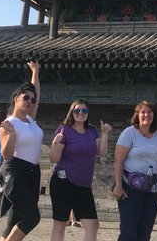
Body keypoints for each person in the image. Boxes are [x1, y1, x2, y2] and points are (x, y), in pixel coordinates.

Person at [49, 99, 112, 241]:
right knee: (60, 224)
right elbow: (53, 159)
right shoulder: (64, 130)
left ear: (88, 113)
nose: (80, 113)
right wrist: (55, 143)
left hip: (83, 185)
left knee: (93, 225)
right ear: (72, 112)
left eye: (84, 111)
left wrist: (105, 134)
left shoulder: (92, 131)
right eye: (77, 110)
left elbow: (101, 152)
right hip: (63, 182)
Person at [0, 60, 43, 241]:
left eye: (32, 99)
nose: (30, 101)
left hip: (32, 173)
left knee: (14, 220)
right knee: (32, 217)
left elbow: (36, 92)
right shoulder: (9, 123)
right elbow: (6, 155)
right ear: (16, 99)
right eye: (26, 98)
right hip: (15, 172)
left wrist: (35, 72)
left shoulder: (30, 120)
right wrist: (12, 134)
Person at [113, 101, 157, 241]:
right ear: (137, 115)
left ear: (154, 116)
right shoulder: (129, 133)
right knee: (128, 232)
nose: (146, 115)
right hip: (131, 188)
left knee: (145, 233)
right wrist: (118, 186)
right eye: (143, 112)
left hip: (153, 190)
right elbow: (118, 160)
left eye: (150, 112)